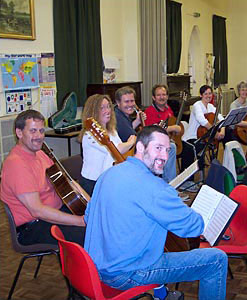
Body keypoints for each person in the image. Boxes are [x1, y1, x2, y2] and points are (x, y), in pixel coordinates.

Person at [84, 125, 228, 300]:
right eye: (158, 148)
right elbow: (194, 228)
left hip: (94, 269)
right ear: (140, 147)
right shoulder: (155, 188)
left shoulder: (108, 174)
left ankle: (162, 294)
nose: (165, 156)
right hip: (127, 275)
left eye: (167, 150)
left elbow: (88, 217)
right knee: (216, 260)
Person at [1, 110, 86, 246]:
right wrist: (80, 221)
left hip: (53, 213)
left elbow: (64, 182)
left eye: (41, 131)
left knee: (100, 225)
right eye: (33, 131)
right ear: (19, 133)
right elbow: (37, 210)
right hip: (33, 227)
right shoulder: (16, 164)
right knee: (89, 236)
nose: (39, 136)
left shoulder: (40, 154)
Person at [114, 86, 178, 183]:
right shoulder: (119, 117)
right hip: (129, 154)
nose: (130, 104)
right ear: (118, 103)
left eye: (132, 101)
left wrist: (137, 121)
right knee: (170, 148)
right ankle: (169, 184)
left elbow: (128, 130)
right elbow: (134, 138)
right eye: (126, 102)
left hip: (132, 150)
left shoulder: (121, 114)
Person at [79, 94, 136, 196]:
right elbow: (116, 150)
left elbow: (119, 147)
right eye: (102, 108)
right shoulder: (90, 134)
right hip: (93, 183)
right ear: (93, 111)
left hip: (107, 179)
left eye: (108, 106)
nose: (108, 110)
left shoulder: (111, 130)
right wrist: (131, 141)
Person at [181, 85, 225, 182]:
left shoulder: (210, 106)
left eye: (210, 93)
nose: (208, 96)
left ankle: (215, 173)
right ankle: (192, 179)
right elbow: (202, 120)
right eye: (206, 94)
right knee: (200, 147)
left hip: (204, 136)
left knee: (213, 146)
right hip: (192, 137)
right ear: (201, 95)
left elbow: (221, 118)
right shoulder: (197, 105)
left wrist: (222, 130)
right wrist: (214, 133)